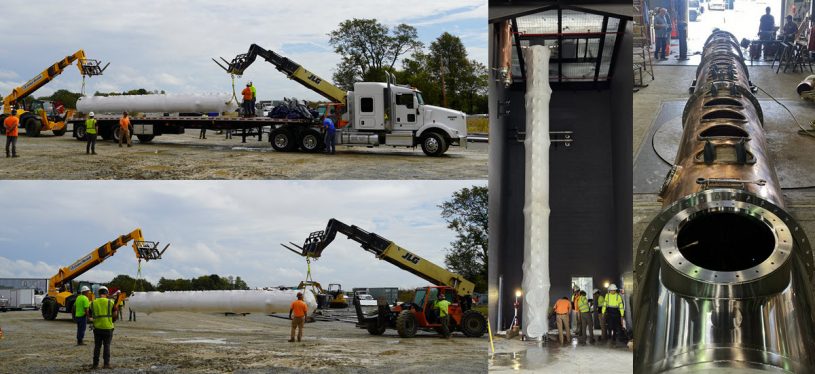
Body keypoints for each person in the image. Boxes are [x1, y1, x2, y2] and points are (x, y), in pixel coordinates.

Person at [88, 286, 118, 369]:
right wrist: (112, 321)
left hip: (97, 328)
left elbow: (89, 315)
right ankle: (106, 364)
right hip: (108, 328)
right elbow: (115, 314)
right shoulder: (111, 302)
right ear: (107, 293)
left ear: (99, 293)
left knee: (97, 346)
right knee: (107, 345)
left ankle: (95, 364)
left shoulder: (93, 303)